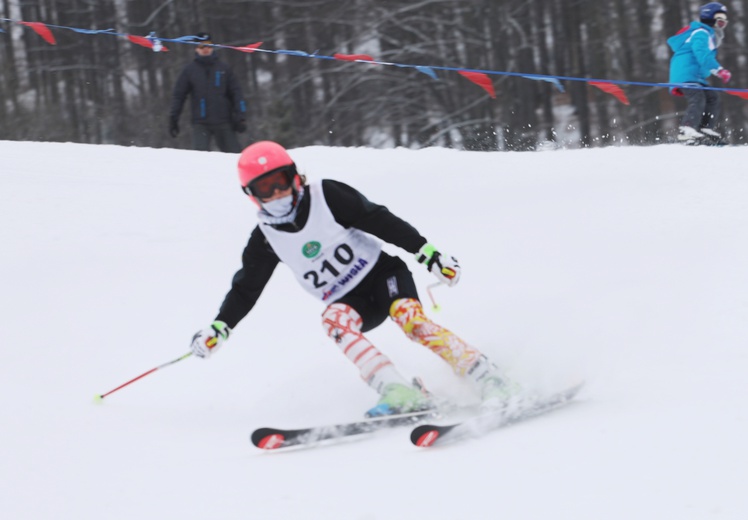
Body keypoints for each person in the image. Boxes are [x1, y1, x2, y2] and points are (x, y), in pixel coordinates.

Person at [189, 141, 517, 417]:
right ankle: (398, 391)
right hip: (350, 300)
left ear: (295, 176)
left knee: (410, 321)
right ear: (251, 194)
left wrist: (427, 253)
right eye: (265, 187)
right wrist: (221, 326)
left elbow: (379, 220)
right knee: (333, 320)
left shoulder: (326, 195)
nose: (277, 192)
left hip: (382, 275)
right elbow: (246, 288)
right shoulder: (264, 240)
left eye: (281, 180)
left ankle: (486, 376)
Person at [169, 32, 248, 153]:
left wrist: (241, 116)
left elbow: (237, 93)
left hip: (223, 121)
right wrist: (173, 117)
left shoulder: (223, 68)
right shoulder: (189, 70)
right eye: (202, 46)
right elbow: (179, 95)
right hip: (201, 123)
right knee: (200, 158)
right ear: (196, 48)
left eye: (209, 45)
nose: (206, 49)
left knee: (234, 156)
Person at [667, 2, 732, 143]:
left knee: (712, 97)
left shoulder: (707, 35)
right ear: (709, 18)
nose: (722, 24)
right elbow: (701, 54)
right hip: (685, 75)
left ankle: (704, 128)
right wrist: (719, 70)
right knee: (697, 98)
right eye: (719, 20)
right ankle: (687, 129)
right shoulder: (701, 33)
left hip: (695, 77)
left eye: (724, 22)